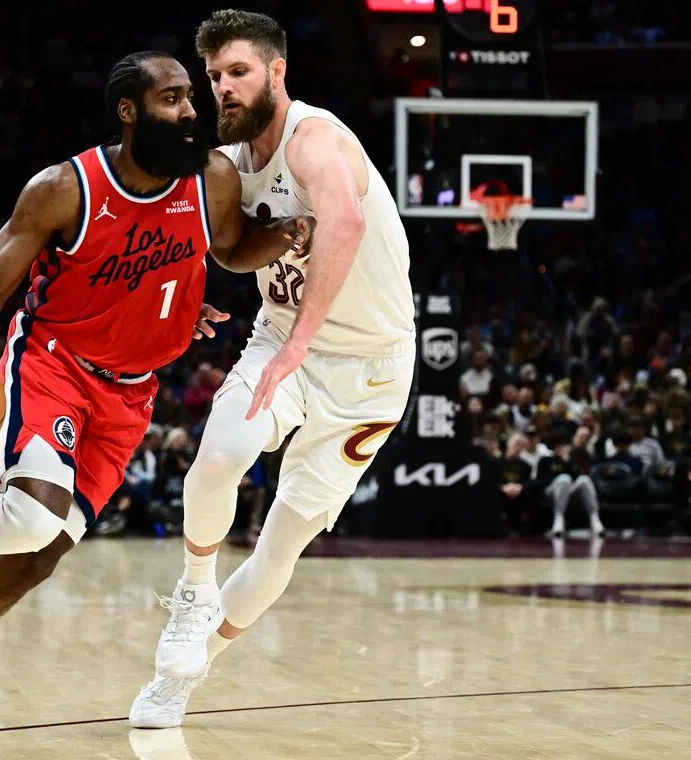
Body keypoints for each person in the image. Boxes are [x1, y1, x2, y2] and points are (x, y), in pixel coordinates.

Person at [0, 50, 310, 753]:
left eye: (191, 97)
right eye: (171, 99)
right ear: (128, 111)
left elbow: (227, 249)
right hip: (54, 365)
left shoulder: (214, 179)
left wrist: (280, 239)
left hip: (132, 396)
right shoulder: (64, 189)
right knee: (32, 515)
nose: (191, 110)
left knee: (31, 561)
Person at [130, 10, 416, 729]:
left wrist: (301, 346)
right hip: (282, 336)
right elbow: (189, 228)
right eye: (215, 75)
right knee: (219, 454)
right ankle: (193, 597)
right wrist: (187, 291)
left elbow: (343, 224)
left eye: (238, 72)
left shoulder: (314, 137)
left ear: (277, 71)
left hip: (371, 368)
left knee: (283, 540)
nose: (222, 87)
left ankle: (186, 678)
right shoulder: (221, 158)